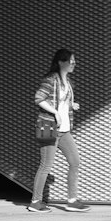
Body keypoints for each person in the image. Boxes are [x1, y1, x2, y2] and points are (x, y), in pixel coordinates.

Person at [28, 48, 89, 212]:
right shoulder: (50, 80)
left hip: (64, 130)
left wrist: (71, 105)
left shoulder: (68, 82)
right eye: (71, 61)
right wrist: (55, 113)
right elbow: (38, 98)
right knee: (46, 165)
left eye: (74, 61)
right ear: (61, 62)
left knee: (75, 162)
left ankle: (72, 200)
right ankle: (35, 202)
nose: (74, 63)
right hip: (48, 126)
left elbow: (59, 101)